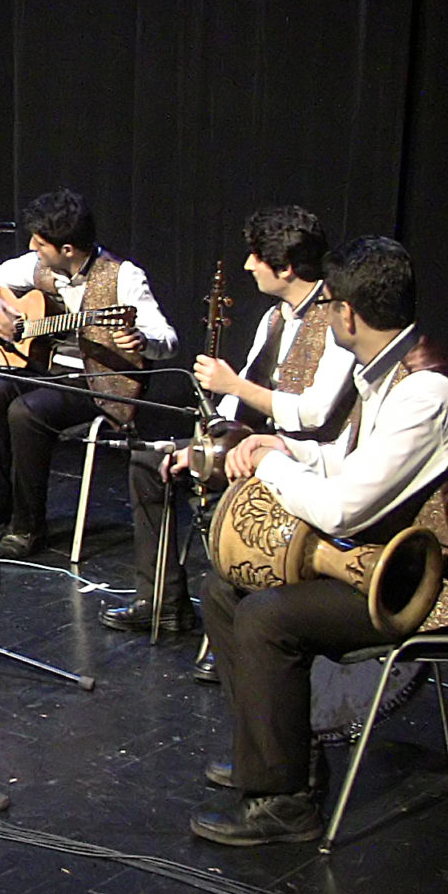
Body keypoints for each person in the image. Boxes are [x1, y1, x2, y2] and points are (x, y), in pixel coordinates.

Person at [190, 235, 448, 847]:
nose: (325, 315)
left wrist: (270, 466)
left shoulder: (425, 393)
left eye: (329, 305)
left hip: (430, 585)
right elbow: (350, 460)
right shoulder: (383, 371)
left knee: (268, 617)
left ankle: (285, 802)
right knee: (224, 590)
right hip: (385, 559)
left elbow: (344, 508)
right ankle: (277, 756)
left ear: (347, 314)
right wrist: (284, 446)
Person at [106, 206, 356, 638]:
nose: (248, 266)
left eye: (256, 257)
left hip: (306, 457)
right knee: (151, 463)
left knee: (227, 493)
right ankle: (163, 602)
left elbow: (315, 412)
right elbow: (238, 402)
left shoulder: (336, 320)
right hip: (254, 442)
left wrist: (234, 385)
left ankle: (241, 627)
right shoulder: (274, 317)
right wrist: (204, 443)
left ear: (286, 268)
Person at [0, 188, 178, 558]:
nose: (32, 247)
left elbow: (168, 340)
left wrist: (143, 341)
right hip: (49, 370)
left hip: (100, 383)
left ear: (67, 249)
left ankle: (27, 527)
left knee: (26, 412)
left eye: (40, 243)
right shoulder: (40, 265)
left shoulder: (124, 276)